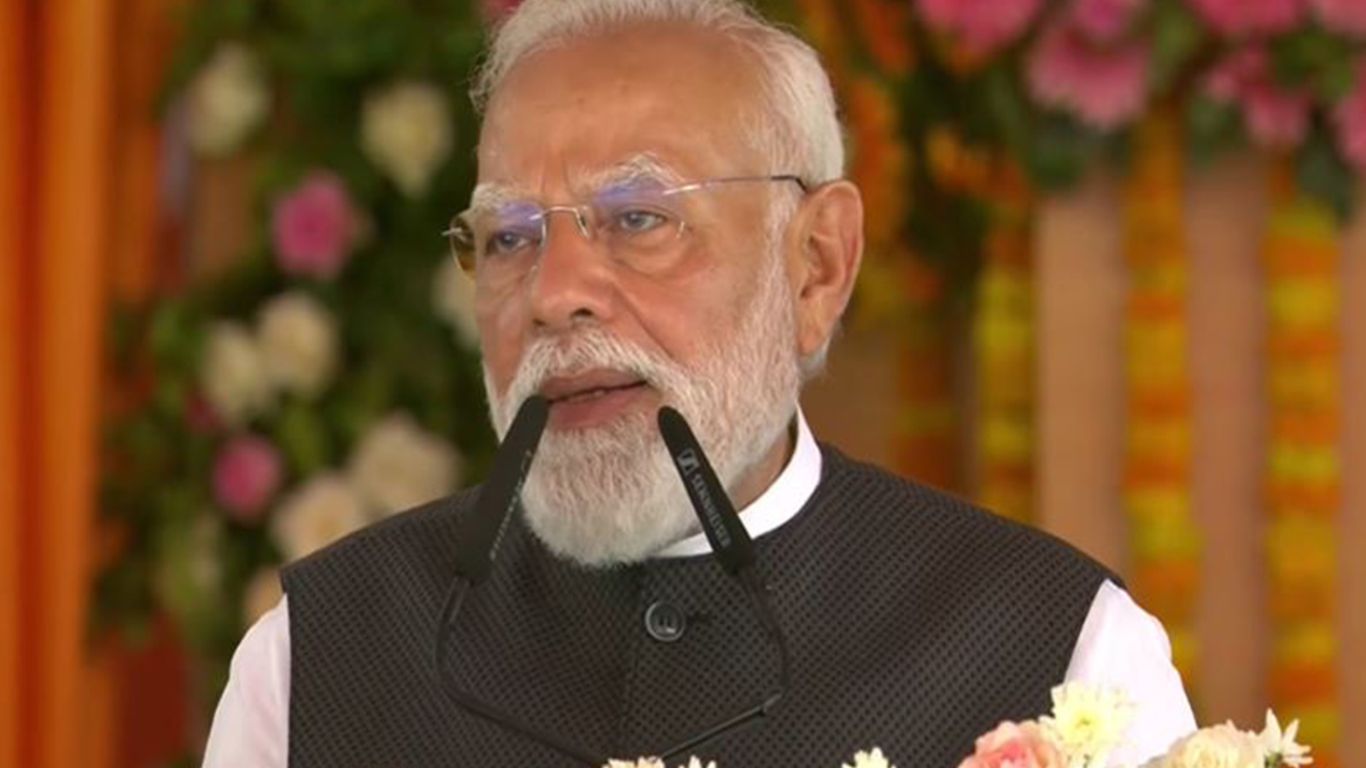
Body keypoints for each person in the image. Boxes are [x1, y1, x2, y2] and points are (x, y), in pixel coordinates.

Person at [204, 1, 1196, 765]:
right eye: (509, 236)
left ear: (816, 265)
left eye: (639, 219)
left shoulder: (1061, 653)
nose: (553, 295)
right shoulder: (316, 657)